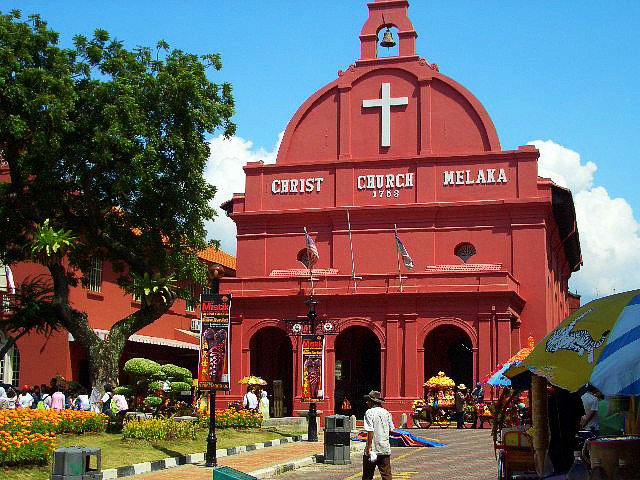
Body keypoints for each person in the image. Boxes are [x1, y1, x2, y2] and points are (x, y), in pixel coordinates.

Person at [362, 390, 394, 480]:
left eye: (368, 400)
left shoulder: (369, 412)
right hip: (384, 447)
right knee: (386, 475)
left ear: (372, 402)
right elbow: (391, 429)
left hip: (373, 449)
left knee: (367, 476)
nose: (367, 402)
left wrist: (368, 447)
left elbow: (370, 430)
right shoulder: (386, 412)